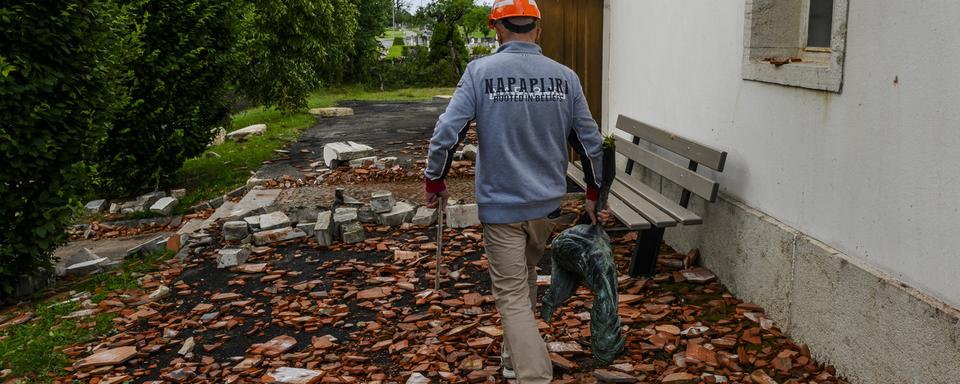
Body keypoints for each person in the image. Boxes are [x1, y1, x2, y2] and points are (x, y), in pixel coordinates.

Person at [423, 1, 605, 382]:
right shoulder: (565, 78)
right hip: (545, 208)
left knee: (510, 295)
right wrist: (593, 191)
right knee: (525, 277)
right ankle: (511, 359)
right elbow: (589, 142)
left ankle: (534, 376)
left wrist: (435, 180)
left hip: (502, 207)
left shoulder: (480, 72)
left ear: (498, 30)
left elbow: (445, 134)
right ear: (537, 30)